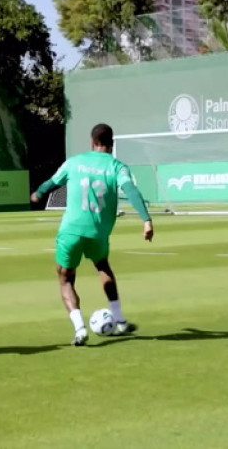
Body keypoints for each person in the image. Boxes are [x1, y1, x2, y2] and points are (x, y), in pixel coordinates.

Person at [31, 123, 154, 346]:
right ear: (112, 144)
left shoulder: (74, 162)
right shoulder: (118, 167)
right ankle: (119, 319)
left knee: (66, 277)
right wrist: (146, 220)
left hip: (71, 229)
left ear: (92, 142)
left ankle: (80, 329)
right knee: (102, 266)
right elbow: (131, 191)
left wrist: (38, 193)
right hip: (99, 231)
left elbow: (50, 184)